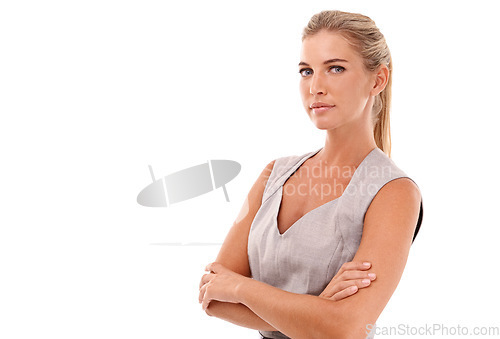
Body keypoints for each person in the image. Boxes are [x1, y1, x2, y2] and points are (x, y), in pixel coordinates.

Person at [199, 9, 423, 339]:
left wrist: (240, 288)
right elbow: (213, 298)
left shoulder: (393, 192)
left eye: (335, 68)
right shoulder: (274, 173)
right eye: (306, 71)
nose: (316, 87)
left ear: (377, 80)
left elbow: (346, 328)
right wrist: (317, 311)